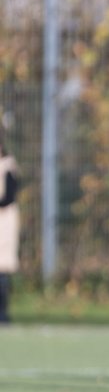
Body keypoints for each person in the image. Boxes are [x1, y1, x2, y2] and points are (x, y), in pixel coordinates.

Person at [0, 139, 20, 325]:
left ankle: (3, 313)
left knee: (3, 268)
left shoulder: (7, 166)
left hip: (4, 222)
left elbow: (8, 197)